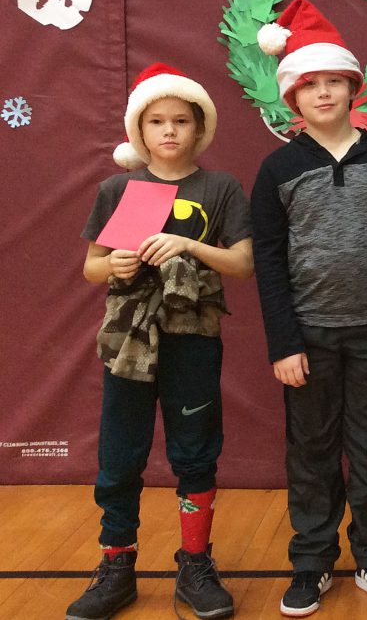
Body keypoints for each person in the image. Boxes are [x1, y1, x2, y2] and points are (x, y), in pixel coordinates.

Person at [251, 0, 367, 617]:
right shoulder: (278, 167)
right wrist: (284, 343)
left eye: (335, 82)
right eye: (311, 84)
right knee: (312, 453)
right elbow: (268, 261)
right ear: (291, 97)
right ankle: (312, 562)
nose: (324, 93)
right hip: (310, 339)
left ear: (353, 87)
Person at [70, 63, 253, 620]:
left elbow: (243, 263)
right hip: (127, 340)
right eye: (156, 121)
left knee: (195, 449)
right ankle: (117, 564)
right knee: (120, 452)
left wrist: (189, 247)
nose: (169, 131)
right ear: (139, 130)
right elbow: (91, 268)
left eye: (181, 120)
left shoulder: (219, 188)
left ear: (200, 129)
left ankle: (195, 563)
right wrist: (115, 262)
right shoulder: (117, 188)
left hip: (192, 337)